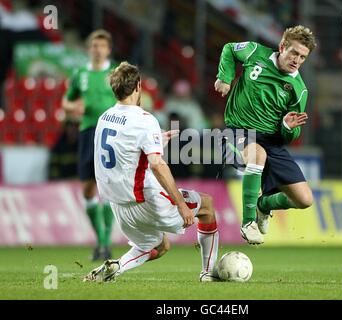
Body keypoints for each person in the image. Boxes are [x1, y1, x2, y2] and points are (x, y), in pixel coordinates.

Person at [84, 62, 219, 282]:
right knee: (207, 206)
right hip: (145, 199)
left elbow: (123, 151)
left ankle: (116, 267)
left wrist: (156, 142)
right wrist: (181, 205)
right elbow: (157, 165)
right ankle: (208, 273)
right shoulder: (145, 120)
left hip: (118, 205)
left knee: (160, 246)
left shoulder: (104, 118)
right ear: (138, 86)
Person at [215, 25, 316, 244]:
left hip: (272, 142)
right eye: (294, 53)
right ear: (282, 47)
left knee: (305, 199)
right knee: (257, 155)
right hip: (238, 132)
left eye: (303, 57)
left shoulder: (299, 90)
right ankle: (248, 222)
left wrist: (288, 128)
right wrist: (225, 77)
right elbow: (230, 49)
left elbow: (290, 136)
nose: (297, 60)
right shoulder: (254, 52)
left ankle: (263, 205)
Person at [62, 29, 116, 260]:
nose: (97, 49)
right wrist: (71, 108)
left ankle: (104, 243)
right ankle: (101, 240)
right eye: (94, 45)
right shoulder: (80, 74)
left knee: (111, 187)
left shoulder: (116, 72)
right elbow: (67, 99)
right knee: (88, 187)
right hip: (87, 131)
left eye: (102, 46)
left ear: (108, 50)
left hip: (113, 132)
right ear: (88, 48)